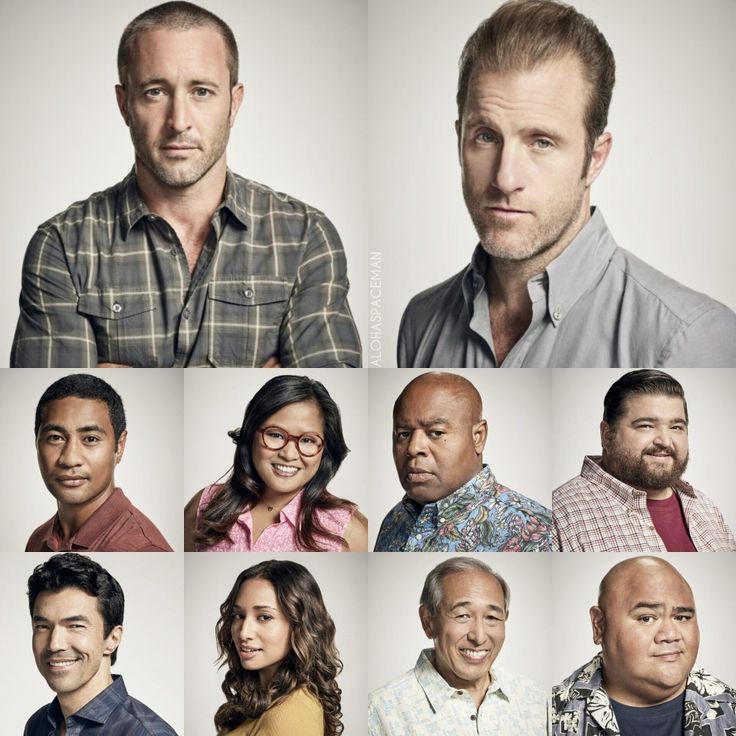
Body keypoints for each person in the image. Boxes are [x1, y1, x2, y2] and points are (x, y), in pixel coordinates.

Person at [11, 1, 360, 368]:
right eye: (155, 91)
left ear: (234, 103)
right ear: (124, 104)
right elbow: (69, 402)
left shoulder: (305, 238)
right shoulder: (63, 246)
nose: (179, 121)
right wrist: (251, 385)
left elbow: (317, 402)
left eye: (202, 91)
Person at [397, 0, 736, 368]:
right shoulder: (421, 320)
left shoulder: (689, 338)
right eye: (486, 137)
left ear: (595, 159)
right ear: (460, 139)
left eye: (542, 142)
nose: (505, 178)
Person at [553, 369, 736, 551]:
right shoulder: (557, 517)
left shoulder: (706, 508)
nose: (664, 441)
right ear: (607, 435)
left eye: (676, 427)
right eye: (646, 425)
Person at [552, 556, 736, 735]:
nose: (671, 635)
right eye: (646, 618)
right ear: (599, 625)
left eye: (682, 617)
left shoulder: (731, 708)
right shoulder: (548, 715)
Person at [184, 375, 367, 551]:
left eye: (308, 440)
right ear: (250, 434)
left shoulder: (348, 529)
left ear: (325, 448)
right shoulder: (204, 505)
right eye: (276, 435)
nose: (288, 454)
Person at [374, 372, 552, 551]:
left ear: (478, 437)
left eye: (436, 432)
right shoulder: (394, 520)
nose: (413, 448)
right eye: (404, 434)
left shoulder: (537, 532)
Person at [369, 556, 547, 735]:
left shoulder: (536, 700)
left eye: (491, 618)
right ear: (428, 621)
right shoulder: (380, 711)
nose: (478, 637)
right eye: (462, 615)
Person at [25, 553, 177, 735]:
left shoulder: (146, 733)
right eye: (42, 626)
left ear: (112, 639)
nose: (55, 644)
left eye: (75, 626)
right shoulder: (38, 725)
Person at [26, 373, 172, 552]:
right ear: (37, 442)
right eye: (55, 438)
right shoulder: (38, 539)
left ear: (119, 446)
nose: (70, 459)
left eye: (90, 439)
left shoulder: (144, 550)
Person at [214, 560, 343, 735]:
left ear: (299, 625)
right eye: (239, 615)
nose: (244, 633)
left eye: (264, 617)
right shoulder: (264, 700)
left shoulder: (291, 714)